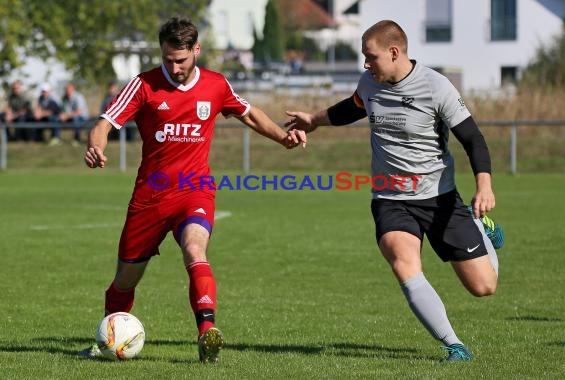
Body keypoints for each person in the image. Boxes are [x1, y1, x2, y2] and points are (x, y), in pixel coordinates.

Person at [79, 17, 306, 363]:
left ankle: (207, 333)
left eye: (181, 60)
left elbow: (249, 114)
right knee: (124, 281)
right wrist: (97, 146)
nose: (175, 67)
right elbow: (104, 123)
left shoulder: (216, 85)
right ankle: (108, 339)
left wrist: (282, 137)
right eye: (168, 59)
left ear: (196, 50)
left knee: (195, 250)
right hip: (150, 197)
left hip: (195, 189)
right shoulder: (143, 85)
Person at [285, 20, 504, 362]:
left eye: (370, 57)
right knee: (401, 258)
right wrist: (314, 119)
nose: (365, 64)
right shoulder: (370, 82)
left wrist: (484, 186)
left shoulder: (435, 87)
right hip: (390, 197)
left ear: (394, 52)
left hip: (439, 197)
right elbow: (351, 108)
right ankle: (454, 345)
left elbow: (472, 138)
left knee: (483, 287)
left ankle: (481, 228)